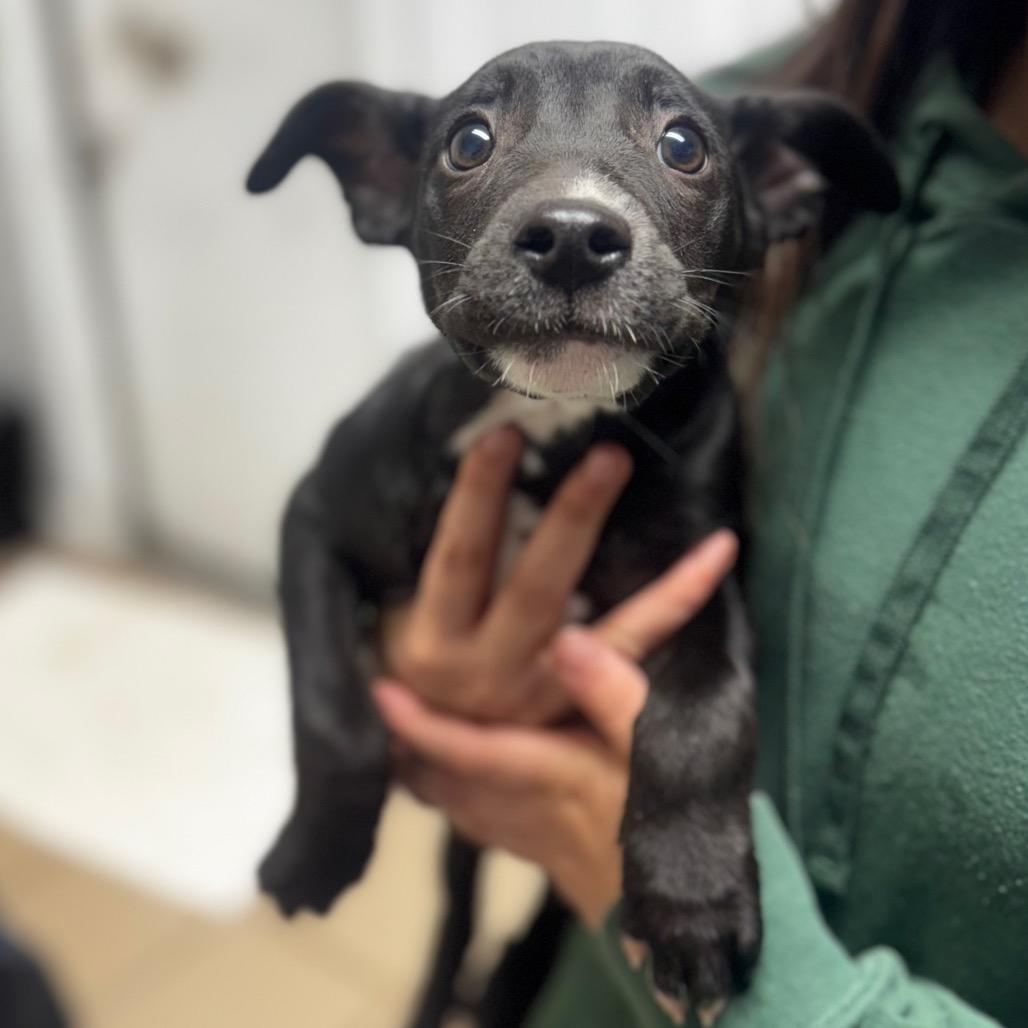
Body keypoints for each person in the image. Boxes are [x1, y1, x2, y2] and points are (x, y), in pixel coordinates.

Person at [372, 0, 1028, 1023]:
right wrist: (413, 659)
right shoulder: (834, 76)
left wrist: (785, 994)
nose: (576, 217)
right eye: (472, 144)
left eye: (678, 150)